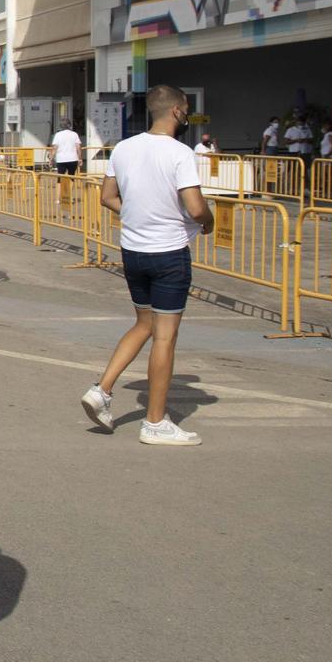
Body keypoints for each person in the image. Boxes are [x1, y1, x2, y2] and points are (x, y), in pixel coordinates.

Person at [80, 84, 214, 446]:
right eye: (186, 109)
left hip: (133, 250)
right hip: (169, 253)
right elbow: (197, 207)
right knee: (165, 337)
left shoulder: (124, 148)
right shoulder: (180, 153)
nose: (187, 116)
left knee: (144, 323)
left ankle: (102, 390)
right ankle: (155, 422)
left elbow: (108, 196)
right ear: (176, 111)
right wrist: (209, 221)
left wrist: (138, 216)